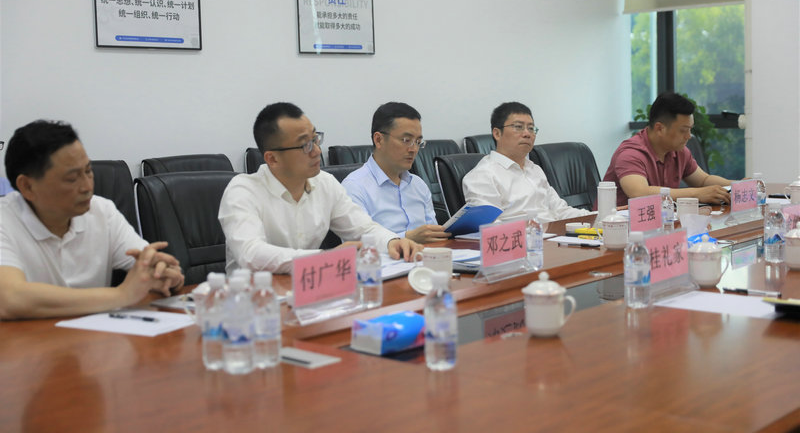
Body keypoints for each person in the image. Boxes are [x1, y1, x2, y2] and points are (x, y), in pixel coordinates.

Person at [0, 120, 184, 321]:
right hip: (25, 339)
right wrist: (121, 295)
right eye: (72, 179)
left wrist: (164, 275)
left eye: (88, 171)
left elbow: (148, 264)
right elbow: (10, 299)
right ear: (27, 186)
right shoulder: (5, 220)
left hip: (93, 336)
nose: (87, 187)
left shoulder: (102, 210)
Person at [218, 102, 422, 274]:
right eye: (305, 145)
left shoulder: (325, 183)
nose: (316, 151)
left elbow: (363, 228)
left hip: (308, 289)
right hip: (253, 297)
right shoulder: (243, 191)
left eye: (315, 139)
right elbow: (251, 254)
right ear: (272, 159)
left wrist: (392, 242)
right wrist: (325, 259)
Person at [462, 102, 591, 222]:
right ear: (497, 133)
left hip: (553, 234)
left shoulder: (535, 169)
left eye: (531, 128)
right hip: (522, 237)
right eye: (518, 127)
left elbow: (561, 211)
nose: (527, 134)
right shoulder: (483, 175)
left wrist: (597, 218)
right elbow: (489, 226)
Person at [342, 102, 450, 244]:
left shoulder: (418, 185)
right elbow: (356, 244)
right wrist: (406, 238)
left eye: (418, 142)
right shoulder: (354, 187)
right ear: (379, 140)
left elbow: (434, 237)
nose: (414, 149)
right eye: (406, 140)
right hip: (384, 258)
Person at [603, 92, 732, 206]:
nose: (689, 136)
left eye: (690, 129)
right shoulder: (631, 154)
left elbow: (703, 180)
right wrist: (696, 194)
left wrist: (736, 185)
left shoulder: (679, 151)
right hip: (615, 224)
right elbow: (639, 193)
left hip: (661, 221)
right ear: (660, 128)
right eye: (683, 130)